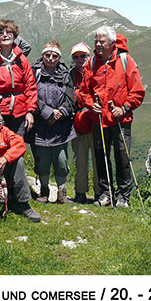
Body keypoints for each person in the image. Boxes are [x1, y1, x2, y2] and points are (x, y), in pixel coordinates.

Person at [80, 26, 145, 208]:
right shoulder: (92, 63)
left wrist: (124, 108)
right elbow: (84, 90)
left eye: (102, 41)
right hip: (99, 119)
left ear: (112, 42)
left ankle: (123, 196)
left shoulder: (125, 61)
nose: (98, 44)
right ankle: (105, 194)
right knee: (101, 157)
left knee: (122, 158)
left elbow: (137, 91)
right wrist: (89, 104)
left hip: (120, 120)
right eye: (96, 41)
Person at [26, 42, 76, 204]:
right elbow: (31, 94)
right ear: (43, 55)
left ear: (59, 58)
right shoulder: (35, 73)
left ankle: (62, 193)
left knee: (61, 161)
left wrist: (59, 113)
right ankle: (44, 191)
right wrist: (47, 112)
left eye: (54, 56)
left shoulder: (65, 74)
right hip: (41, 125)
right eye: (47, 55)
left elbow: (70, 98)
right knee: (43, 161)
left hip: (60, 126)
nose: (50, 58)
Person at [0, 19, 37, 137]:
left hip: (20, 112)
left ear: (14, 35)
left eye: (8, 32)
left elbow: (30, 86)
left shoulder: (20, 58)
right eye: (0, 33)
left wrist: (30, 111)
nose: (4, 35)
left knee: (17, 148)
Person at [69, 42, 100, 204]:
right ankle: (80, 192)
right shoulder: (70, 76)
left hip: (95, 124)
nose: (80, 59)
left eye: (83, 56)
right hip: (78, 126)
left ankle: (99, 192)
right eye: (76, 57)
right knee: (80, 161)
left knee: (97, 161)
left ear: (89, 56)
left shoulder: (97, 72)